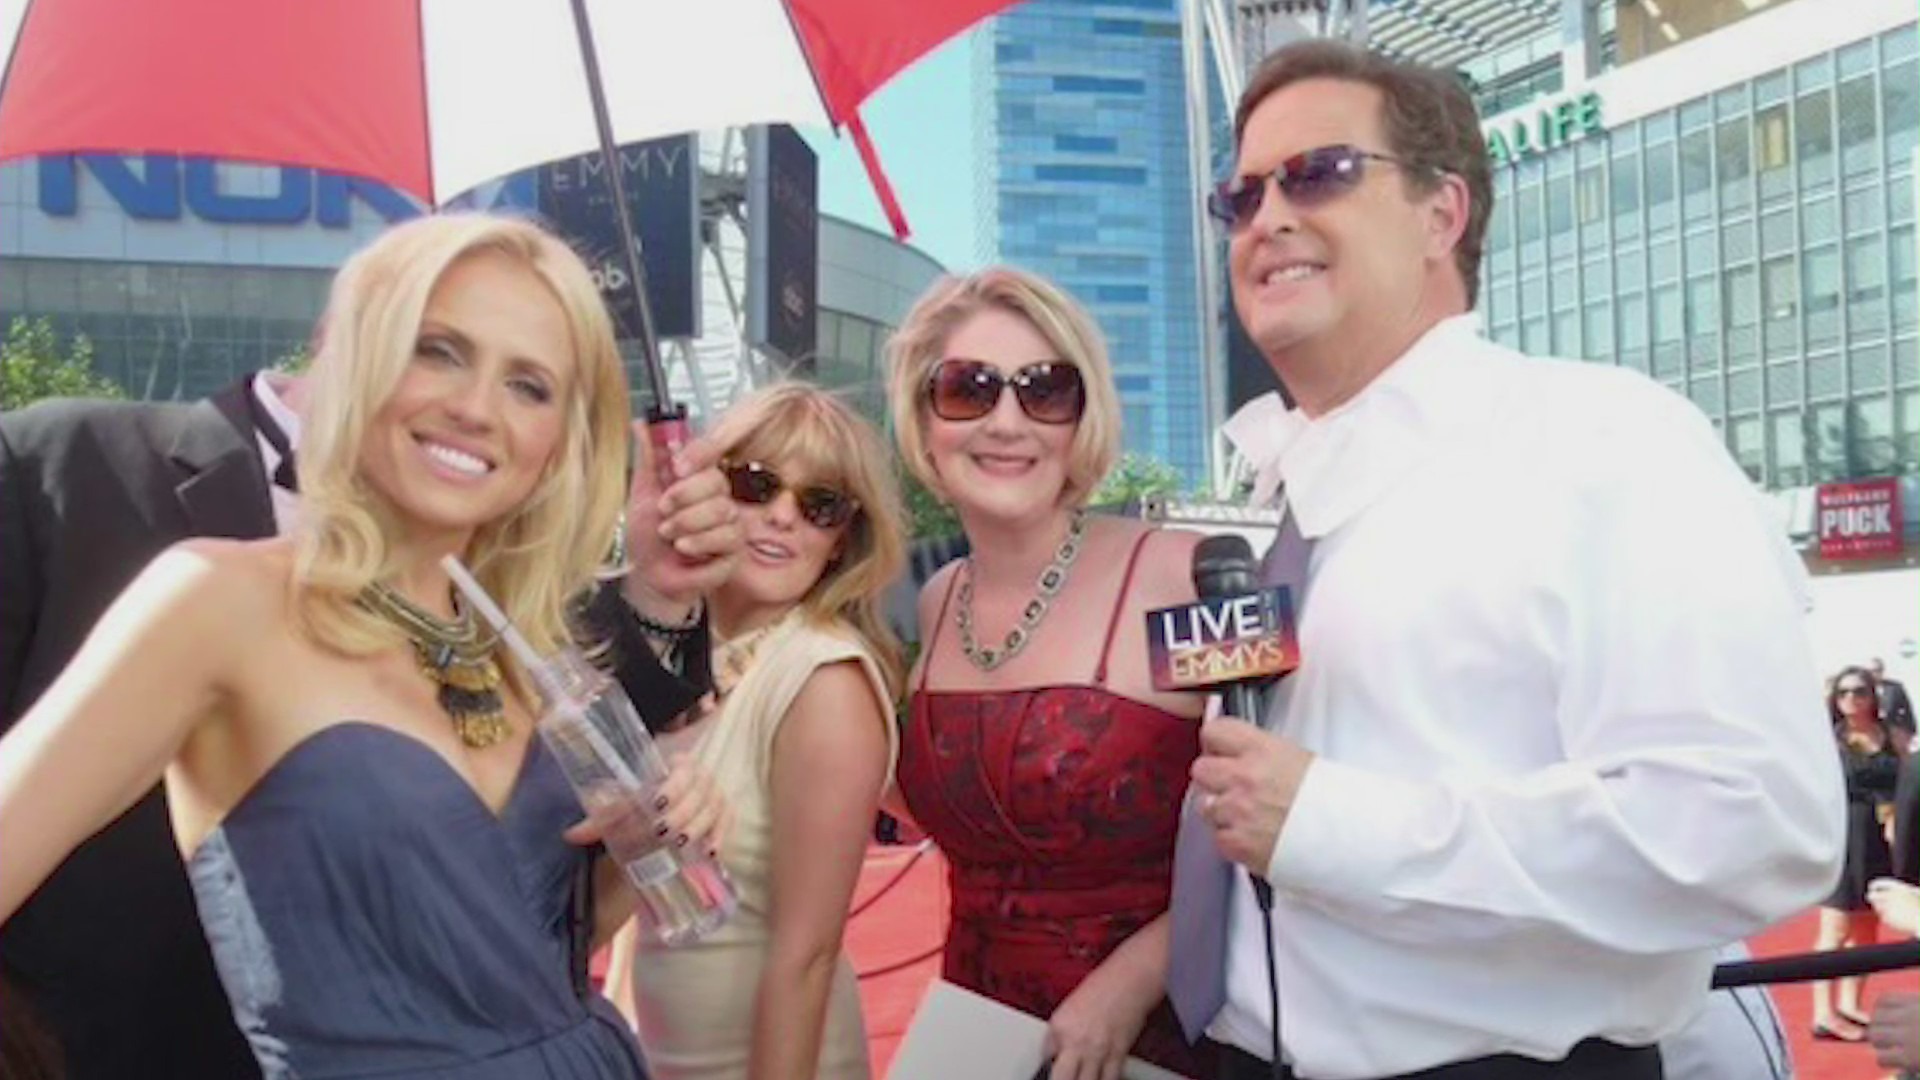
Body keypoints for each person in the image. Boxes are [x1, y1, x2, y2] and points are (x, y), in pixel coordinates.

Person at [1179, 40, 1844, 1080]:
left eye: (1319, 172)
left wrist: (1337, 825)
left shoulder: (1605, 438)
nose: (1267, 215)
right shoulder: (1288, 496)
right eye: (1242, 192)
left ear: (1442, 214)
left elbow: (1754, 823)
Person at [0, 213, 728, 1079]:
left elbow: (526, 977)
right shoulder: (219, 599)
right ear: (357, 357)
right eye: (438, 349)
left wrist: (636, 848)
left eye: (530, 386)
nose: (474, 407)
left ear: (559, 444)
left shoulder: (525, 649)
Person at [886, 267, 1216, 1079]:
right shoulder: (935, 600)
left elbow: (1278, 831)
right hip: (974, 1041)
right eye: (968, 389)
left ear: (1083, 416)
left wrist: (1134, 981)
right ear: (924, 420)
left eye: (1044, 390)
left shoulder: (1197, 573)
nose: (1006, 422)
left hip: (1161, 1046)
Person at [621, 384, 906, 1079]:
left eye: (820, 505)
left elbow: (805, 958)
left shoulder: (824, 678)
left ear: (842, 541)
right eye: (756, 485)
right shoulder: (677, 656)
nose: (782, 517)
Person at [1806, 666, 1904, 1041]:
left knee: (1867, 928)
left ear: (1873, 695)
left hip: (1881, 840)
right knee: (1834, 929)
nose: (1851, 699)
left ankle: (1850, 1003)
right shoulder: (1828, 741)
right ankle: (1822, 1013)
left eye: (1860, 691)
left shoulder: (1890, 736)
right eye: (1844, 692)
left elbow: (1905, 781)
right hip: (1843, 840)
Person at [1870, 658, 1916, 743]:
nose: (1874, 674)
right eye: (1871, 671)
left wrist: (1911, 732)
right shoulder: (1863, 692)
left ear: (1882, 671)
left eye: (1877, 670)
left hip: (1895, 735)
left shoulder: (1895, 688)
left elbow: (1908, 709)